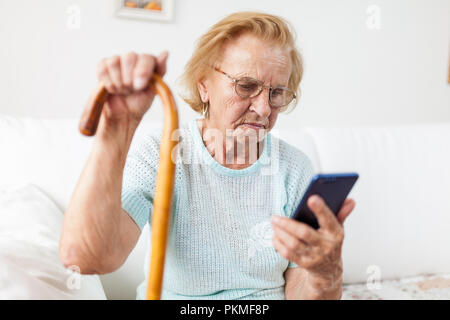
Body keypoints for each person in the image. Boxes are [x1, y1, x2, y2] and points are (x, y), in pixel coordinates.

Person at [59, 11, 356, 300]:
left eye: (276, 93)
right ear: (204, 86)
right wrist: (116, 131)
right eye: (246, 86)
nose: (264, 109)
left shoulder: (294, 169)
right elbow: (84, 257)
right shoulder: (164, 154)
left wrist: (324, 274)